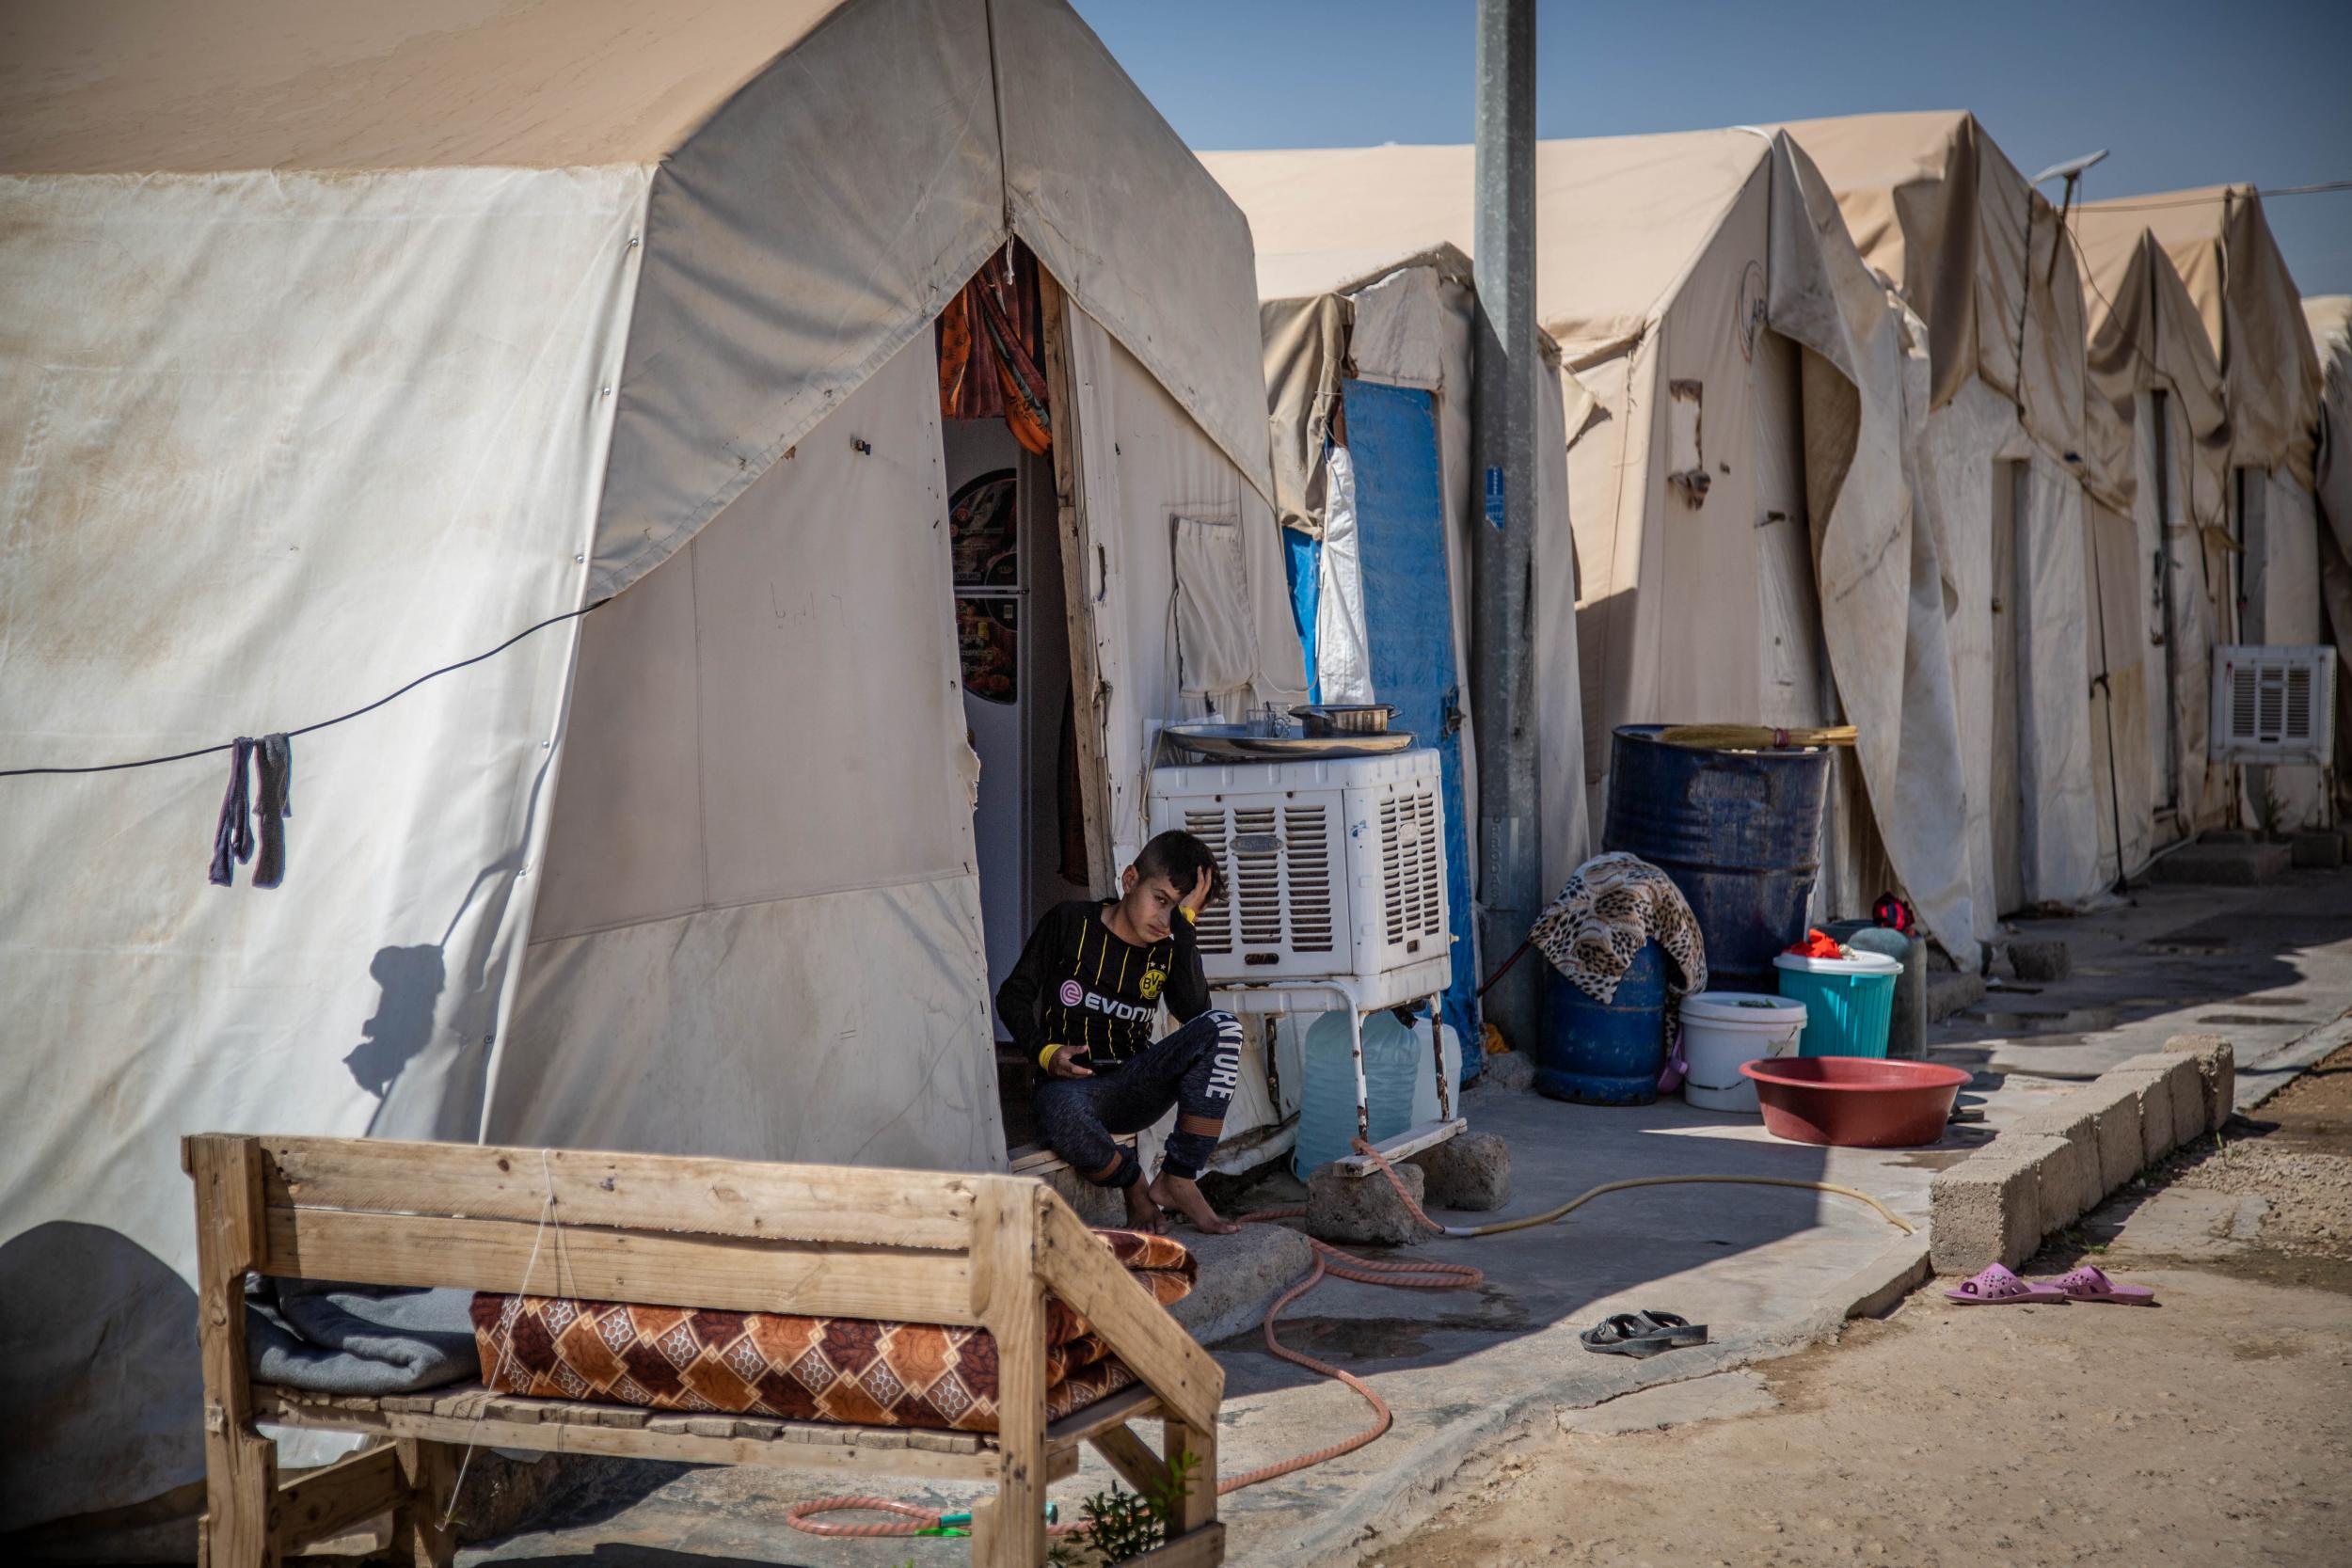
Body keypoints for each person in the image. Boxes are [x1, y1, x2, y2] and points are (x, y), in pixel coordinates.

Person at [996, 830, 1244, 1234]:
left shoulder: (1169, 944)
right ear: (1130, 881)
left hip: (1135, 1084)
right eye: (1161, 900)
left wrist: (1186, 928)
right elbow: (1013, 997)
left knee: (1224, 1030)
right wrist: (1045, 1052)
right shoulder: (1069, 922)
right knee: (1056, 1110)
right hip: (1070, 1089)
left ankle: (1180, 1177)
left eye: (1178, 910)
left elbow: (1196, 1015)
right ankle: (1134, 1184)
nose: (1164, 920)